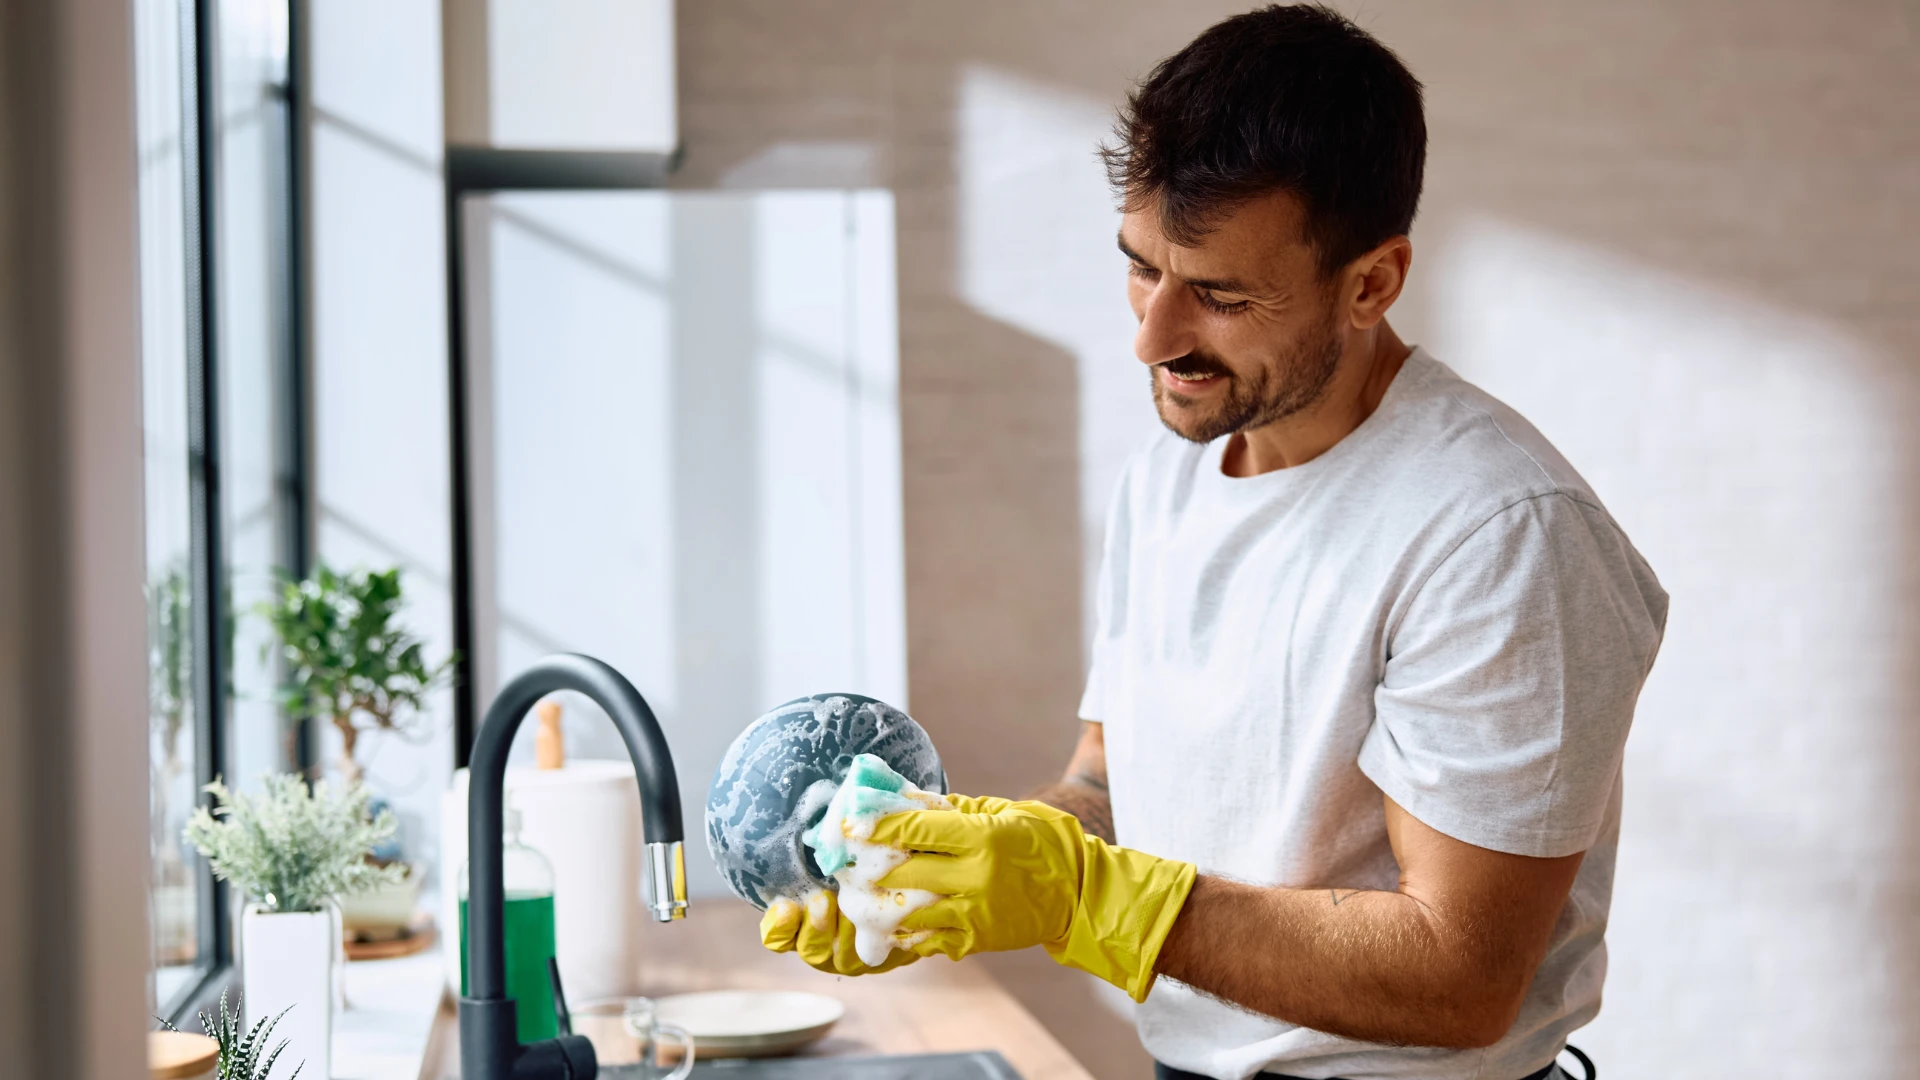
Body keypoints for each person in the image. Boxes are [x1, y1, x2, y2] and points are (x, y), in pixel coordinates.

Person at [760, 5, 1667, 1079]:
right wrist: (949, 862)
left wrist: (1084, 899)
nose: (1152, 335)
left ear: (1372, 281)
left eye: (1219, 296)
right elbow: (1105, 786)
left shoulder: (1499, 534)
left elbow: (1460, 975)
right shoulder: (1174, 477)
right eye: (1141, 267)